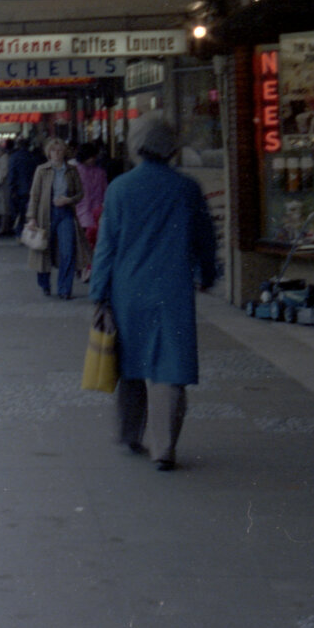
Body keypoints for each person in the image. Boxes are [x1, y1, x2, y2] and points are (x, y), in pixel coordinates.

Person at [89, 114, 218, 471]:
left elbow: (106, 246)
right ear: (170, 147)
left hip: (128, 288)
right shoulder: (186, 188)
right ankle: (164, 448)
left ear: (136, 145)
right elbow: (205, 239)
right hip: (173, 289)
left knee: (130, 363)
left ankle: (131, 433)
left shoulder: (120, 189)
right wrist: (208, 274)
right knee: (170, 367)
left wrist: (99, 292)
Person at [26, 137, 89, 299]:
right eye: (53, 150)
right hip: (46, 213)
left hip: (66, 213)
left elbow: (80, 193)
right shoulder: (42, 170)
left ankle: (64, 289)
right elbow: (35, 195)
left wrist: (69, 200)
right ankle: (44, 284)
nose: (56, 153)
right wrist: (31, 217)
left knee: (67, 250)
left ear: (65, 152)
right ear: (48, 152)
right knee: (43, 249)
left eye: (60, 150)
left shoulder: (71, 170)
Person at [73, 142, 108, 256]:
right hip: (81, 214)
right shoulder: (74, 172)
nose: (93, 159)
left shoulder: (100, 173)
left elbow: (105, 192)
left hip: (94, 215)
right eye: (91, 156)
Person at [7, 137, 39, 236]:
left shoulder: (14, 157)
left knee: (20, 213)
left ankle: (20, 233)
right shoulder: (33, 157)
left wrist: (11, 188)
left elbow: (12, 174)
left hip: (19, 189)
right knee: (31, 211)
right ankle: (29, 232)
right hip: (32, 187)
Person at [0, 141, 13, 238]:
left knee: (4, 207)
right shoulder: (4, 158)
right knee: (3, 207)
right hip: (2, 185)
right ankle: (3, 227)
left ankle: (3, 227)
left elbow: (3, 172)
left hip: (2, 185)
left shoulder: (4, 159)